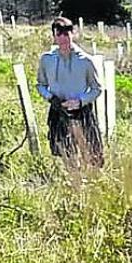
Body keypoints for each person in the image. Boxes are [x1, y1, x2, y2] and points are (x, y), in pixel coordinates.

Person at [36, 16, 103, 166]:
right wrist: (50, 98)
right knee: (67, 155)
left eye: (66, 34)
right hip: (58, 111)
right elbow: (40, 84)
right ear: (54, 36)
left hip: (82, 112)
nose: (63, 38)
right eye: (58, 34)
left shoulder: (86, 60)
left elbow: (97, 88)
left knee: (92, 156)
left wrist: (80, 102)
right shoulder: (46, 60)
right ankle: (76, 185)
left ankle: (94, 185)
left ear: (72, 34)